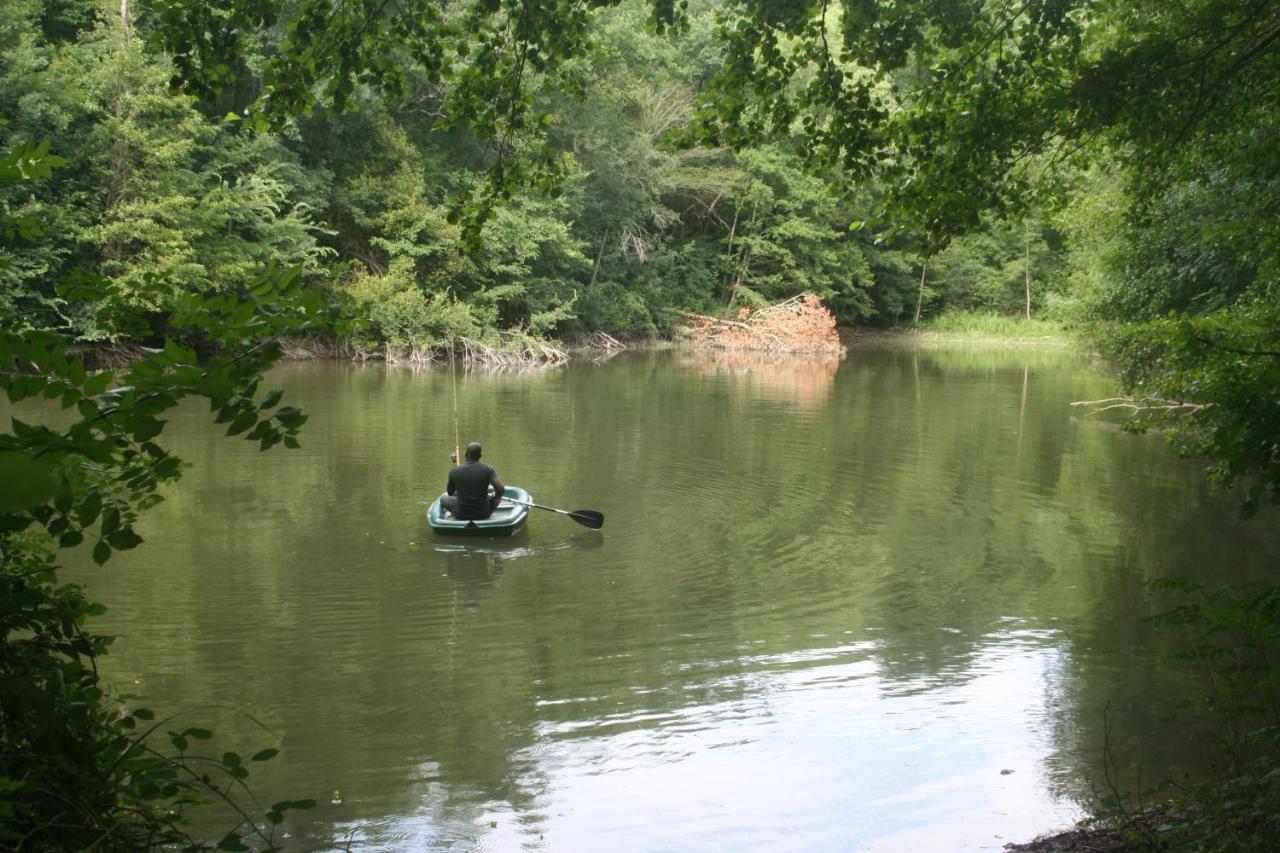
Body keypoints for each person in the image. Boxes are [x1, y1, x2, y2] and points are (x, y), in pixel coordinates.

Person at [441, 441, 505, 520]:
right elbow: (500, 489)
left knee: (443, 499)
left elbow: (450, 492)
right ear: (480, 455)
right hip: (483, 513)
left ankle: (444, 520)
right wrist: (493, 498)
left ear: (466, 454)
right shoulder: (488, 469)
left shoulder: (454, 471)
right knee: (497, 499)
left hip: (461, 514)